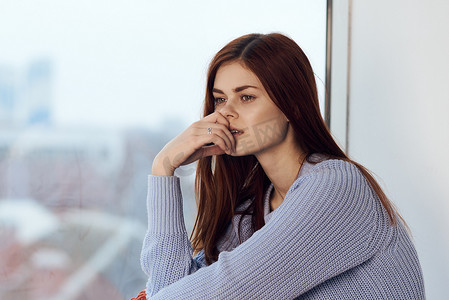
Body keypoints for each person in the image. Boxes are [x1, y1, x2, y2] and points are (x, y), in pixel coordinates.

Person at [134, 33, 425, 299]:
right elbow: (168, 290)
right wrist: (163, 167)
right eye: (220, 99)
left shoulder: (337, 187)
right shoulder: (250, 214)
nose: (225, 113)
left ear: (292, 106)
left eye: (246, 97)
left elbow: (229, 289)